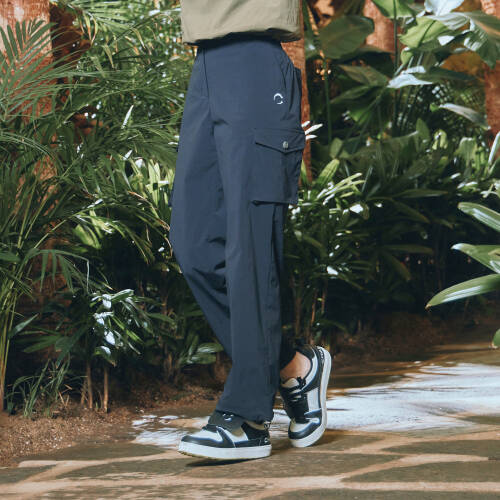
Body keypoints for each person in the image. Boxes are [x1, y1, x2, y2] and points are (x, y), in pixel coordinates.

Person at [168, 0, 332, 461]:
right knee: (194, 244)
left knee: (249, 251)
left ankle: (247, 418)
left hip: (255, 60)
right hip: (207, 63)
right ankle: (294, 367)